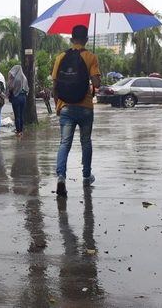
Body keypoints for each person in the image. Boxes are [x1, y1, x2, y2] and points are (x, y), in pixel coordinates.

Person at [52, 25, 101, 195]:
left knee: (64, 143)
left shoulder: (60, 57)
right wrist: (92, 71)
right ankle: (86, 176)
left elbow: (55, 86)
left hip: (65, 107)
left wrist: (58, 105)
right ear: (86, 39)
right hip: (85, 107)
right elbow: (96, 84)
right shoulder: (90, 57)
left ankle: (61, 177)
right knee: (86, 142)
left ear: (72, 39)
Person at [7, 65, 29, 136]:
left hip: (16, 97)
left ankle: (18, 131)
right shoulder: (24, 78)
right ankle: (21, 130)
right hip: (24, 97)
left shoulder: (15, 78)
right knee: (21, 114)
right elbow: (27, 89)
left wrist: (9, 79)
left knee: (17, 115)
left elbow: (10, 87)